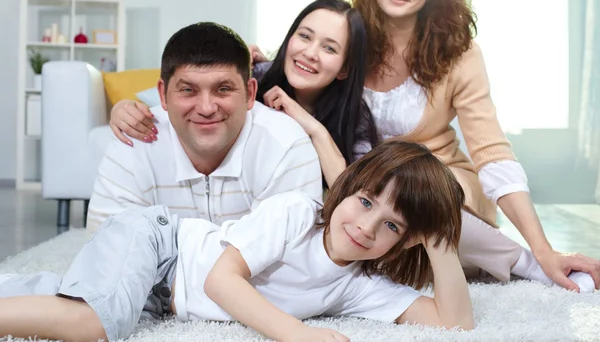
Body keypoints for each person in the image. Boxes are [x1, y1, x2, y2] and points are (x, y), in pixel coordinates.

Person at [108, 0, 600, 292]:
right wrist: (126, 106)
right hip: (353, 195)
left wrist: (542, 247)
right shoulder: (317, 51)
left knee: (403, 194)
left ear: (346, 67)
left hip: (431, 178)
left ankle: (523, 265)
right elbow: (208, 87)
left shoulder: (455, 53)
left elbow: (490, 151)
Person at [0, 140, 473, 342]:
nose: (367, 228)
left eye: (393, 226)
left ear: (407, 241)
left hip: (163, 299)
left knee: (65, 298)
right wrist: (297, 333)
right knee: (96, 324)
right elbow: (220, 281)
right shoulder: (296, 213)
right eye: (367, 202)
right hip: (162, 246)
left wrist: (439, 242)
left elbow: (453, 325)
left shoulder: (359, 283)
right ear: (346, 188)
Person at [109, 0, 379, 188]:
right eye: (305, 36)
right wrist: (123, 109)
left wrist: (314, 128)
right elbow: (181, 91)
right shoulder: (256, 76)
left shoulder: (355, 115)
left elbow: (354, 196)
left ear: (345, 68)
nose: (310, 53)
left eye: (329, 48)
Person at [86, 21, 323, 234]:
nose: (206, 108)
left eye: (223, 89)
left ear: (250, 93)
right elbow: (106, 254)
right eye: (188, 90)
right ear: (162, 94)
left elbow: (292, 264)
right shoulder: (133, 141)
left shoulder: (286, 145)